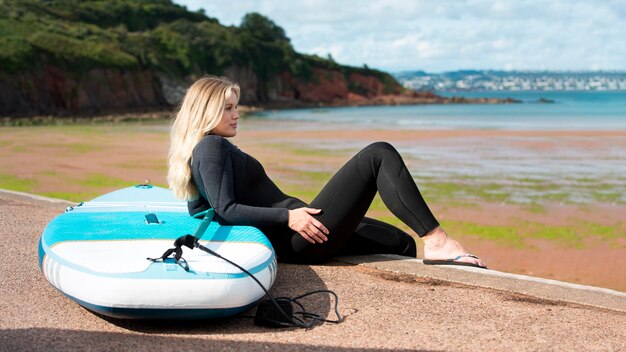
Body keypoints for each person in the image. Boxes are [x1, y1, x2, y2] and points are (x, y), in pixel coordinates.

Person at [168, 76, 486, 268]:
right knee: (378, 154)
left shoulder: (208, 149)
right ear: (205, 110)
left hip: (304, 231)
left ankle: (429, 250)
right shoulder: (210, 147)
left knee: (399, 243)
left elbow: (209, 205)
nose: (237, 114)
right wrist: (289, 218)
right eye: (228, 108)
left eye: (236, 106)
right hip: (298, 235)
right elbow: (225, 209)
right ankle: (438, 239)